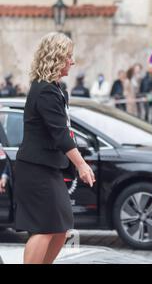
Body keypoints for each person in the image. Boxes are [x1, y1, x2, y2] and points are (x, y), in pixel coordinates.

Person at [14, 32, 95, 264]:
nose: (72, 61)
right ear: (55, 58)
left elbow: (65, 130)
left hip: (49, 168)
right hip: (35, 169)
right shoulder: (44, 90)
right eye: (68, 56)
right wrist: (81, 164)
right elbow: (59, 134)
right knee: (44, 228)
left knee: (60, 227)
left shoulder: (57, 89)